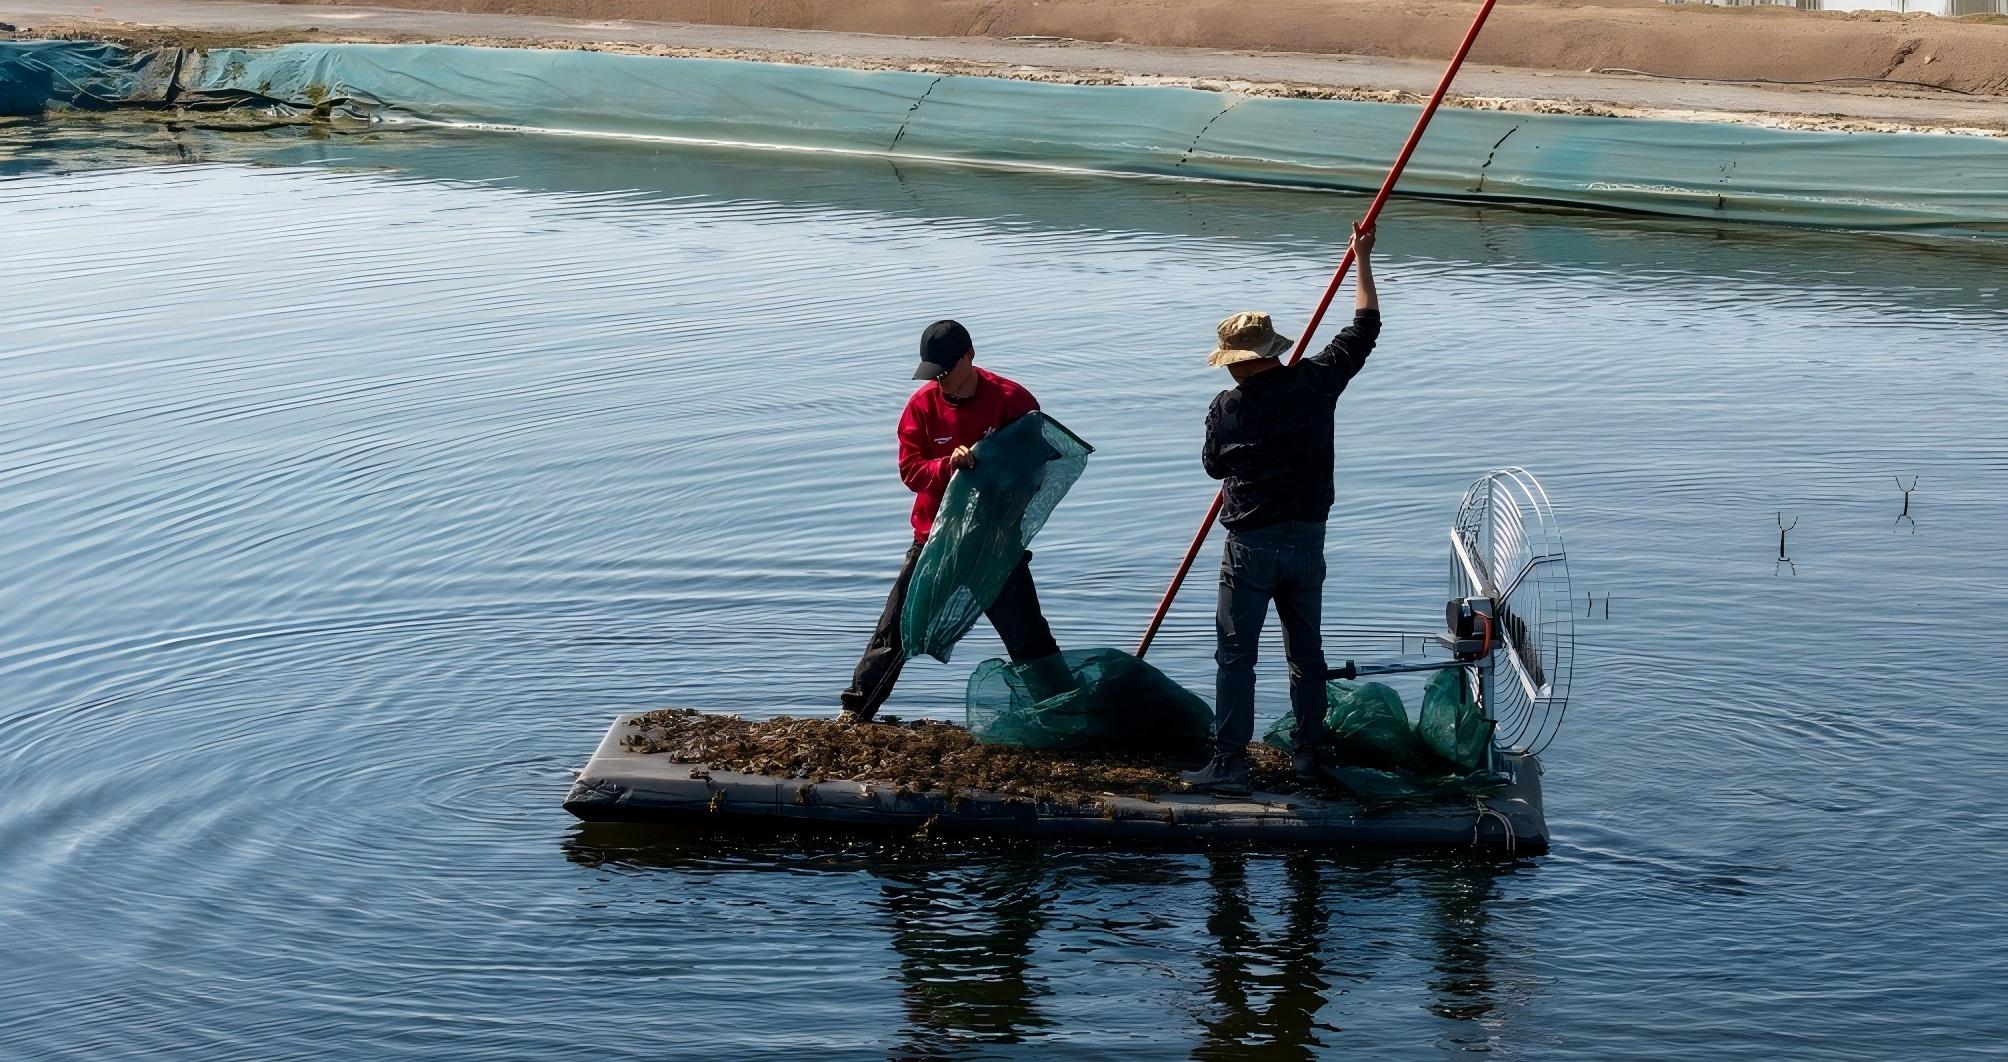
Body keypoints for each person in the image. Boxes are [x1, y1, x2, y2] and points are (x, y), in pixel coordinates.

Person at [1182, 224, 1381, 794]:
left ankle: (1229, 764)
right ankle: (1308, 756)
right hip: (1307, 543)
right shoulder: (1318, 382)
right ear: (1273, 349)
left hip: (1249, 547)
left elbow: (1214, 468)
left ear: (1232, 362)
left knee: (1235, 657)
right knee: (1306, 655)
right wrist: (1361, 258)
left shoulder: (1227, 409)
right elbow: (1365, 327)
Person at [838, 320, 1063, 722]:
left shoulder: (1011, 400)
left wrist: (991, 467)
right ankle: (857, 711)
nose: (939, 380)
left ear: (969, 356)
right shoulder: (921, 407)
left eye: (946, 370)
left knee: (1028, 634)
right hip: (935, 541)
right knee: (897, 628)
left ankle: (1062, 711)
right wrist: (949, 467)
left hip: (993, 542)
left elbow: (1035, 469)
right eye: (933, 373)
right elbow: (911, 472)